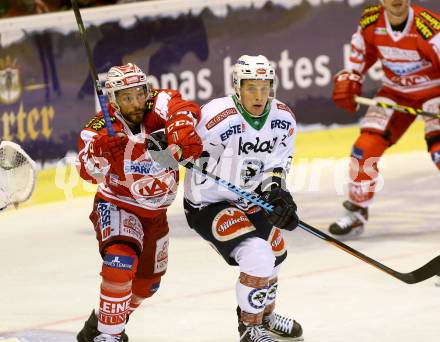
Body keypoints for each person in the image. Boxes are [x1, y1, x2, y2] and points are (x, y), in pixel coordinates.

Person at [76, 63, 202, 342]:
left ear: (146, 90)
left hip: (156, 216)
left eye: (138, 94)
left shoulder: (158, 103)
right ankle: (108, 336)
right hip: (117, 204)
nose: (135, 103)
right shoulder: (98, 128)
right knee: (120, 262)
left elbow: (184, 107)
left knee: (147, 286)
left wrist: (181, 130)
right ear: (113, 100)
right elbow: (85, 171)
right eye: (126, 97)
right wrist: (101, 151)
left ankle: (103, 323)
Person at [184, 55, 304, 342]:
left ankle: (265, 317)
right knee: (257, 255)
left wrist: (276, 194)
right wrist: (172, 151)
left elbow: (277, 164)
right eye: (251, 87)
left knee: (275, 251)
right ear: (237, 87)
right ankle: (250, 329)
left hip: (251, 199)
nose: (259, 95)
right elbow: (183, 148)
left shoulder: (283, 118)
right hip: (208, 203)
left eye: (265, 88)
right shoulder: (216, 117)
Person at [329, 1, 440, 238]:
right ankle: (357, 212)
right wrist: (349, 79)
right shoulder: (370, 22)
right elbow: (357, 60)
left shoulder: (428, 27)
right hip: (395, 93)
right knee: (364, 148)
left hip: (435, 92)